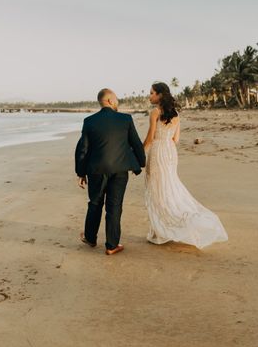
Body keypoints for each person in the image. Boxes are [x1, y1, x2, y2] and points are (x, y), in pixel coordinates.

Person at [143, 82, 228, 249]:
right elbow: (176, 140)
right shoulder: (175, 114)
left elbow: (150, 139)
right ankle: (164, 229)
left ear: (160, 95)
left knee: (157, 189)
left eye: (152, 93)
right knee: (169, 187)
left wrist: (138, 155)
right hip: (170, 152)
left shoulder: (155, 112)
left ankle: (159, 232)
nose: (150, 96)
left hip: (159, 151)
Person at [75, 88, 146, 255]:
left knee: (95, 203)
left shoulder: (89, 121)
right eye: (116, 99)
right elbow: (136, 143)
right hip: (120, 170)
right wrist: (141, 163)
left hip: (96, 170)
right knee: (114, 206)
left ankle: (90, 238)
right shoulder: (125, 119)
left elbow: (82, 150)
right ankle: (112, 245)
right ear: (109, 100)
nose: (118, 101)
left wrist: (80, 172)